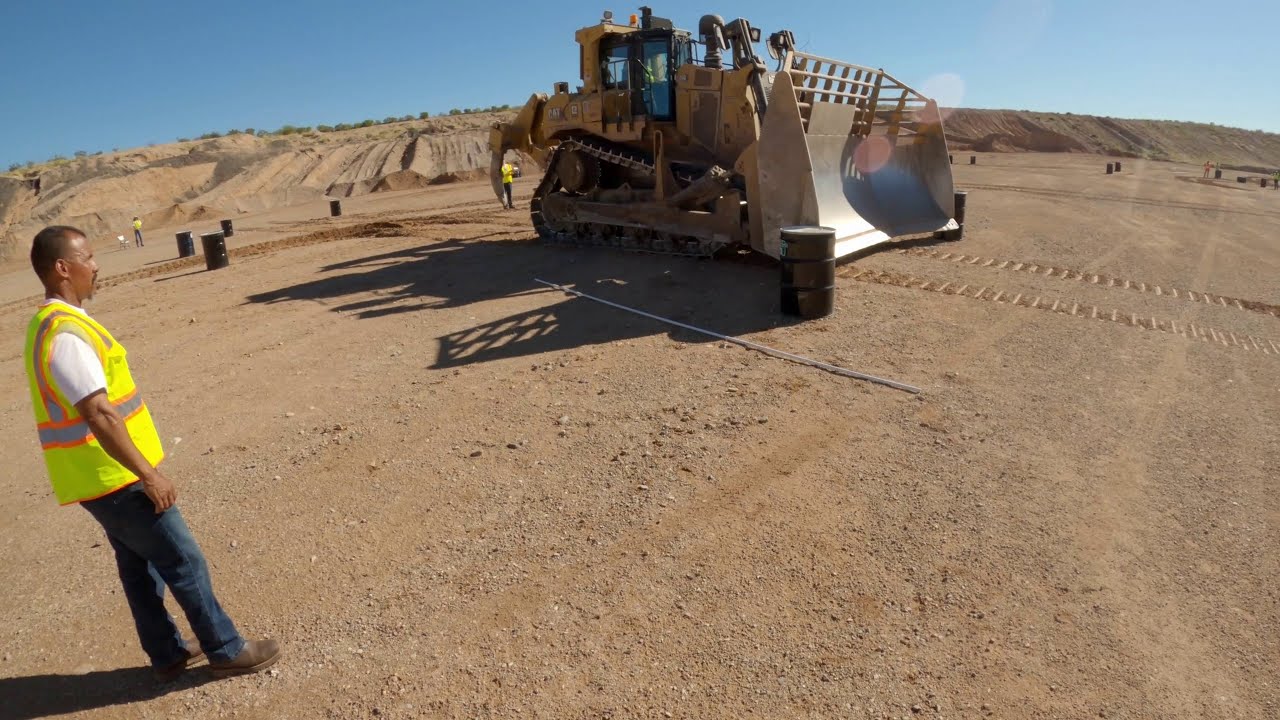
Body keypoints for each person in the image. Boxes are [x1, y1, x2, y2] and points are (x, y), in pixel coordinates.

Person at [22, 225, 281, 681]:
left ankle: (167, 654)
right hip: (116, 477)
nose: (97, 265)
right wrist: (149, 474)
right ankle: (225, 647)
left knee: (140, 567)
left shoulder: (50, 323)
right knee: (182, 560)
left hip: (96, 478)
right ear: (63, 268)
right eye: (89, 257)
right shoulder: (65, 333)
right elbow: (99, 413)